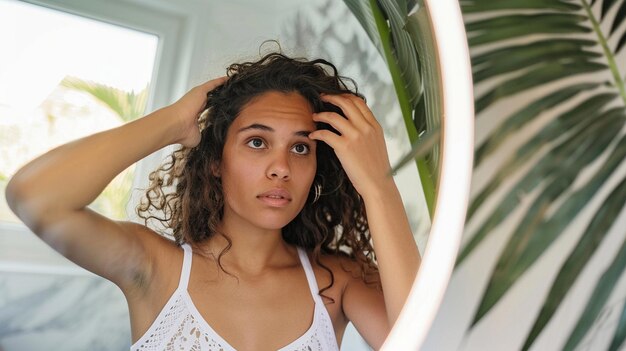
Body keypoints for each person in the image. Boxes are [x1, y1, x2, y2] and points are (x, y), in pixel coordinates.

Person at [6, 52, 421, 350]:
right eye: (257, 142)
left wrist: (378, 186)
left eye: (300, 149)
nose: (281, 168)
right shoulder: (156, 268)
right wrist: (173, 123)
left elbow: (423, 339)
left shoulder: (339, 282)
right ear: (216, 162)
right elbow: (34, 197)